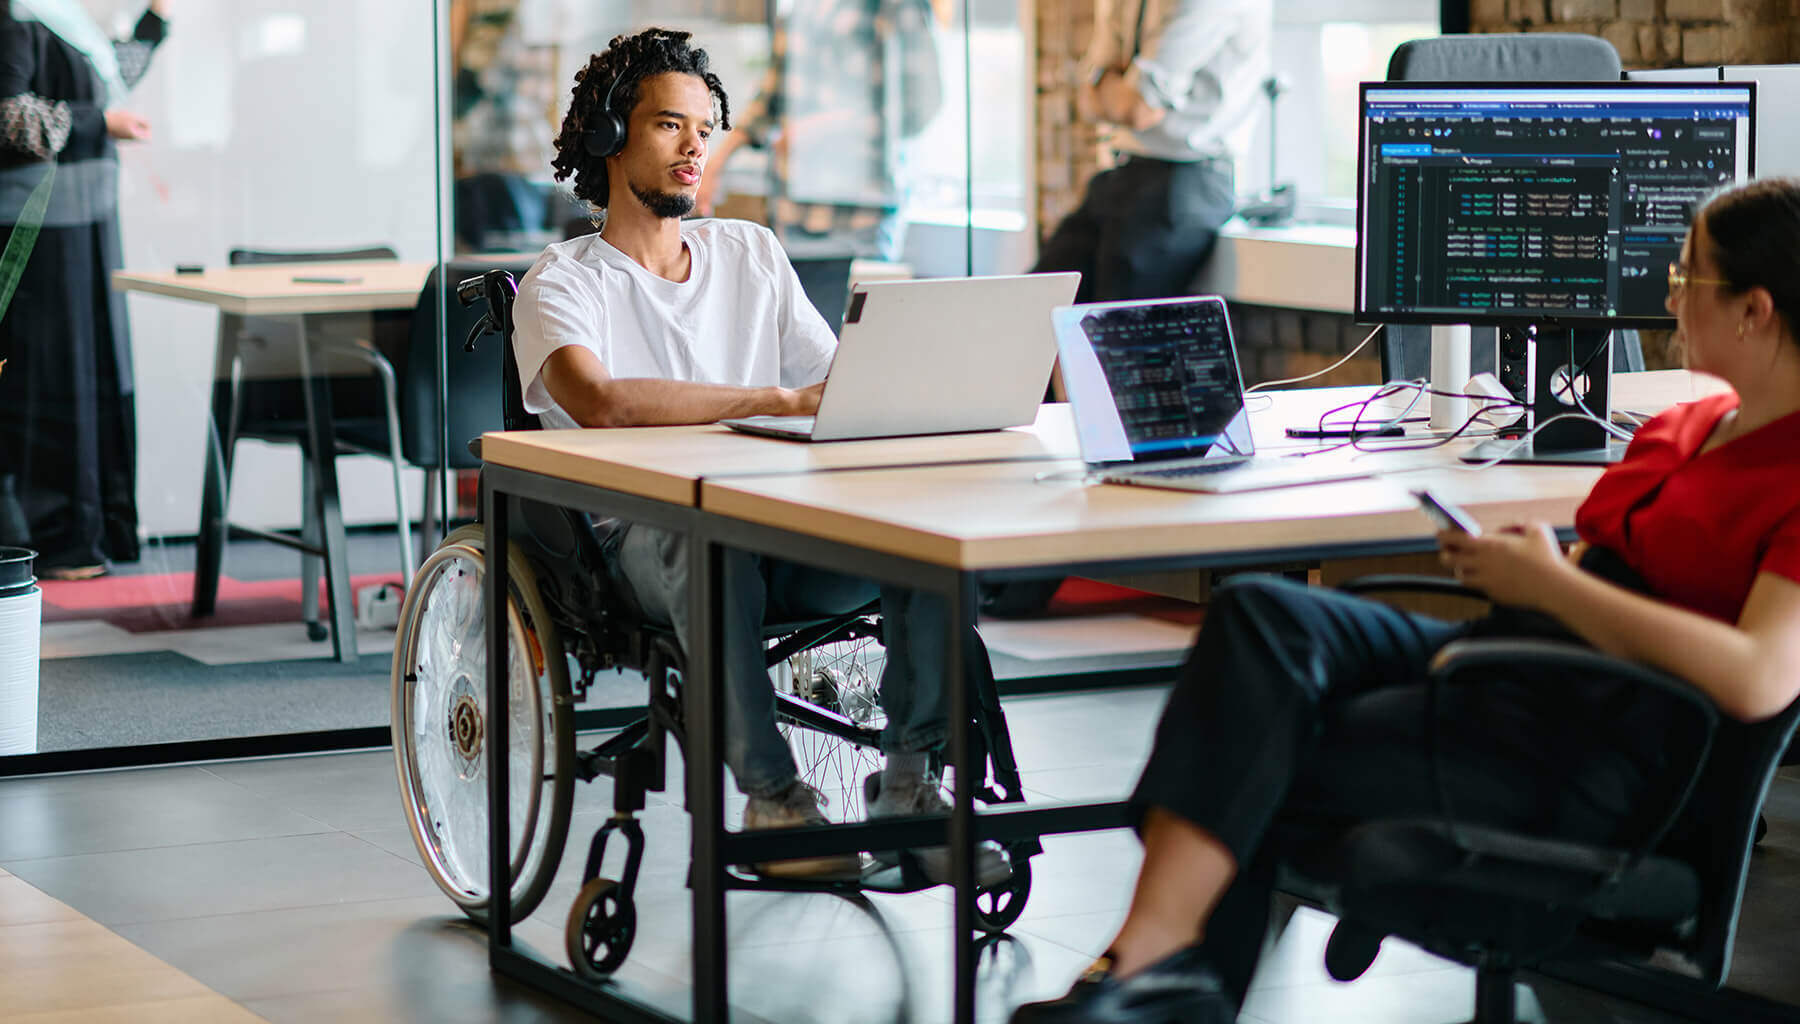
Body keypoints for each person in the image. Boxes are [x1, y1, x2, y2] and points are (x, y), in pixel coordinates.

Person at [1009, 177, 1800, 1023]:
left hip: (1599, 738)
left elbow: (1760, 678)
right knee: (1261, 615)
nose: (1670, 295)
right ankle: (1154, 969)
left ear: (1753, 310)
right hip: (1522, 665)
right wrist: (1532, 582)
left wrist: (1554, 586)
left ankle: (1141, 976)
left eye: (1688, 278)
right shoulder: (1689, 422)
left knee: (1257, 740)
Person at [512, 27, 1010, 883]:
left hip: (778, 529)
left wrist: (923, 380)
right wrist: (774, 402)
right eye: (670, 126)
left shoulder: (750, 251)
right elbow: (600, 402)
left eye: (704, 129)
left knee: (923, 540)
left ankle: (908, 789)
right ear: (607, 136)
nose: (694, 147)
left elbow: (834, 385)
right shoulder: (563, 282)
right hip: (640, 548)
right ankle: (775, 798)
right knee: (711, 535)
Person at [0, 0, 169, 579]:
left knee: (89, 372)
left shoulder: (55, 20)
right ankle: (52, 536)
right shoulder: (10, 20)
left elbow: (105, 74)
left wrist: (155, 23)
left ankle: (91, 530)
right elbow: (4, 116)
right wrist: (100, 124)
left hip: (76, 225)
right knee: (51, 376)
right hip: (36, 237)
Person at [1032, 0, 1270, 304]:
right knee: (1037, 305)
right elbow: (1088, 98)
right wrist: (1108, 90)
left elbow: (1138, 107)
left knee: (1118, 335)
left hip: (1184, 179)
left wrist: (1109, 84)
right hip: (1123, 170)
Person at [691, 0, 945, 261]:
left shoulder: (897, 6)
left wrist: (818, 130)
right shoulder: (801, 9)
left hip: (860, 219)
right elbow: (768, 103)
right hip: (790, 214)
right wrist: (714, 165)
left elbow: (920, 105)